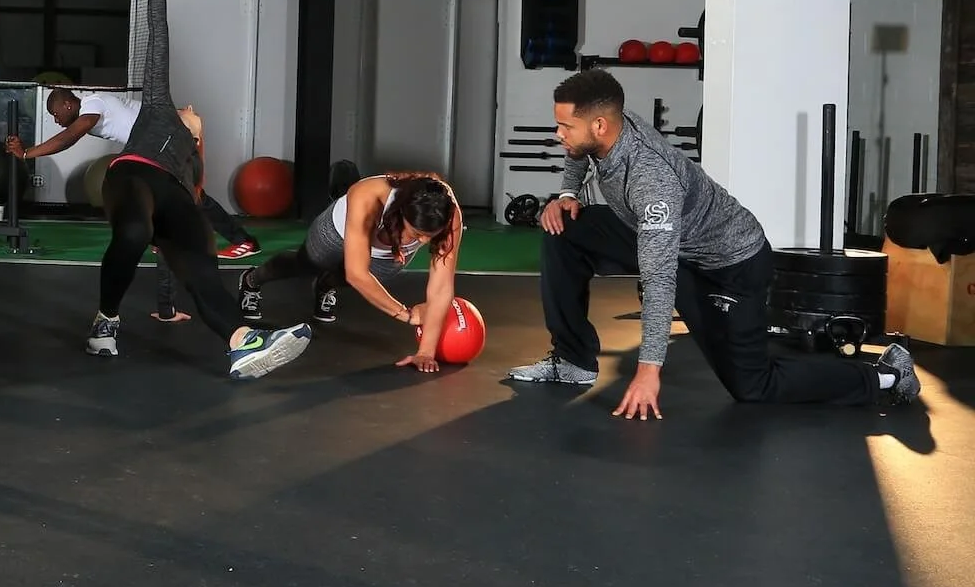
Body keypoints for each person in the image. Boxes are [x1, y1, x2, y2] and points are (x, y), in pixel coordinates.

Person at [510, 68, 919, 415]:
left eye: (565, 126)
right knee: (563, 230)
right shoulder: (609, 124)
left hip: (730, 266)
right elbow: (579, 151)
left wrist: (648, 370)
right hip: (675, 241)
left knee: (753, 385)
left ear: (600, 125)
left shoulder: (651, 181)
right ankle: (574, 361)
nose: (558, 134)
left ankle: (884, 375)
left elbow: (659, 280)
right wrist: (568, 194)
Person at [86, 0, 312, 379]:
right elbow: (158, 45)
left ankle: (241, 342)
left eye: (195, 115)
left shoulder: (191, 166)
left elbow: (188, 219)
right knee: (134, 231)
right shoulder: (159, 111)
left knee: (202, 267)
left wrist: (169, 297)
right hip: (132, 175)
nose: (191, 109)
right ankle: (106, 319)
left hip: (171, 193)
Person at [237, 172, 464, 373]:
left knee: (374, 278)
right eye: (417, 233)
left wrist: (425, 352)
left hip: (387, 250)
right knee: (307, 264)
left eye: (430, 235)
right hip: (336, 231)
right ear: (402, 212)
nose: (424, 241)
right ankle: (252, 279)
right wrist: (406, 314)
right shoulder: (368, 196)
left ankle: (325, 285)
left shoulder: (449, 213)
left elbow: (442, 287)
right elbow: (357, 274)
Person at [11, 86, 261, 259]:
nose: (56, 120)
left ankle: (244, 242)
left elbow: (68, 137)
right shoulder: (91, 108)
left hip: (173, 136)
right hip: (160, 141)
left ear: (68, 104)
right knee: (151, 188)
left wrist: (26, 153)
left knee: (192, 195)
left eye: (56, 114)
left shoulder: (92, 104)